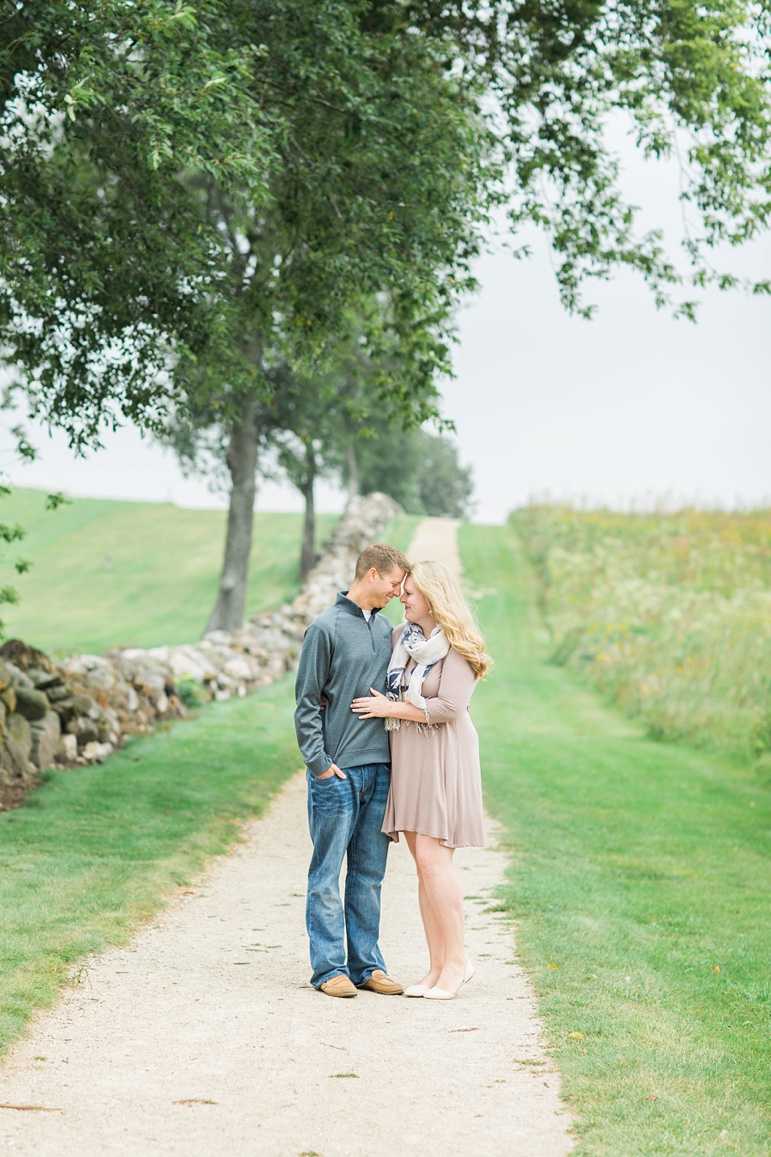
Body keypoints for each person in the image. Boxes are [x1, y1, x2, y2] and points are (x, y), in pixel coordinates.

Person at [351, 559, 492, 1000]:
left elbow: (449, 707)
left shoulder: (459, 645)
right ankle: (435, 967)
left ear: (432, 597)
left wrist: (392, 709)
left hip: (445, 754)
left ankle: (457, 963)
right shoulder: (401, 639)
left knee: (435, 861)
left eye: (409, 592)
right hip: (409, 756)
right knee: (423, 867)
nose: (401, 597)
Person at [294, 543, 410, 998]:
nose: (398, 592)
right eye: (395, 583)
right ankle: (329, 969)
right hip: (337, 775)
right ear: (374, 574)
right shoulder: (323, 629)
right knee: (326, 873)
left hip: (379, 772)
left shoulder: (388, 631)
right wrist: (320, 766)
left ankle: (367, 965)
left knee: (369, 875)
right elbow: (306, 704)